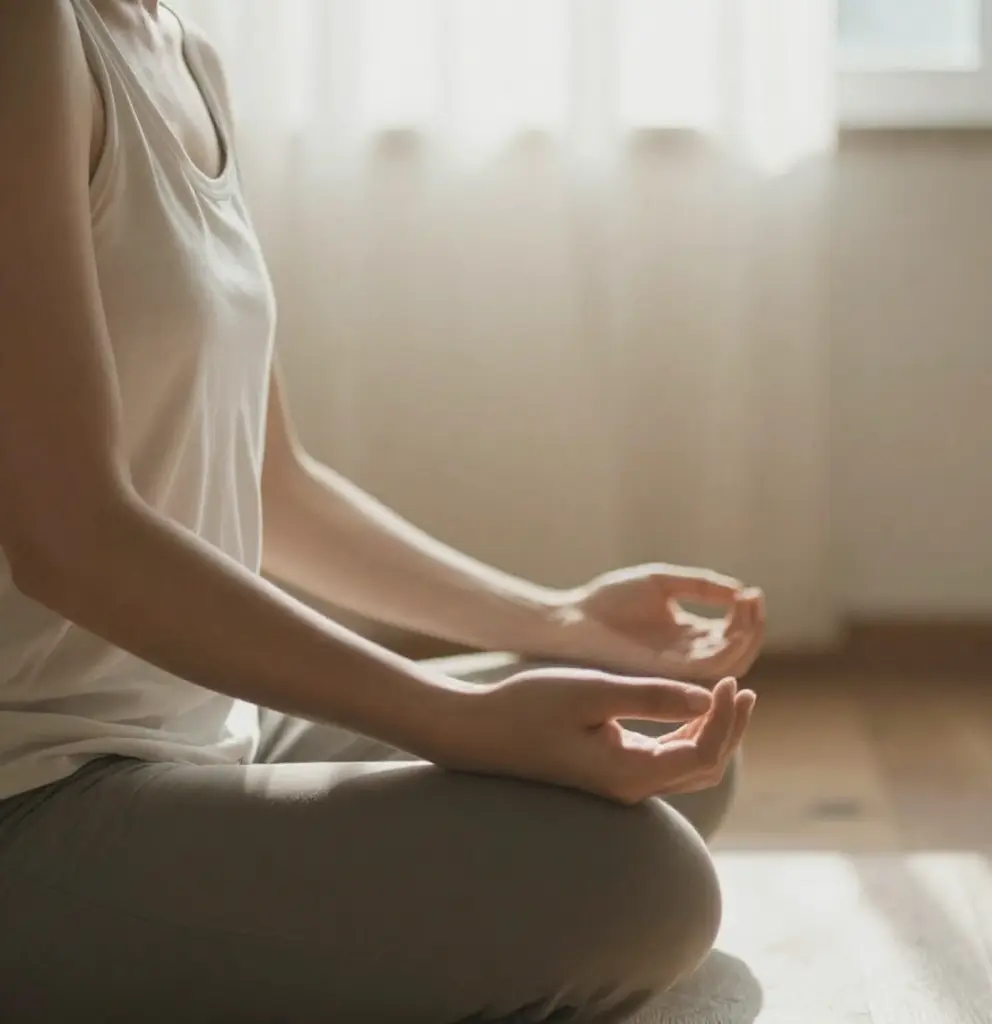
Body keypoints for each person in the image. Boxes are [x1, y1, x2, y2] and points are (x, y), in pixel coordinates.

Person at [0, 1, 764, 1020]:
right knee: (642, 888)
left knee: (650, 755)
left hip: (206, 731)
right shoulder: (27, 32)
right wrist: (453, 717)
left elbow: (276, 487)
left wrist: (556, 618)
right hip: (37, 791)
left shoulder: (184, 55)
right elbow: (72, 539)